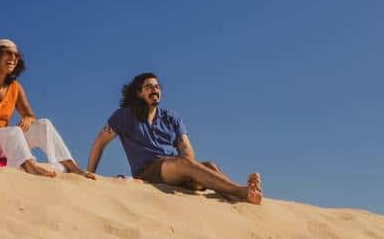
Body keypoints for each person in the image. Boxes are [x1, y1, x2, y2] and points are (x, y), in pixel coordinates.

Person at [87, 72, 262, 204]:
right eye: (148, 87)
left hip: (174, 167)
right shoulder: (124, 116)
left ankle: (245, 193)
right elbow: (99, 142)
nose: (154, 89)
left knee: (209, 166)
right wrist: (89, 174)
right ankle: (240, 190)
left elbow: (187, 150)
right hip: (148, 171)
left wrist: (189, 172)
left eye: (157, 86)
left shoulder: (171, 118)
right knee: (185, 164)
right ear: (139, 93)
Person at [0, 38, 95, 180]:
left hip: (0, 141)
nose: (13, 58)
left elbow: (30, 116)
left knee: (44, 125)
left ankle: (72, 167)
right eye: (8, 53)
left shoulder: (15, 87)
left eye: (16, 55)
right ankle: (30, 167)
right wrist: (9, 131)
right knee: (13, 131)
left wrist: (28, 119)